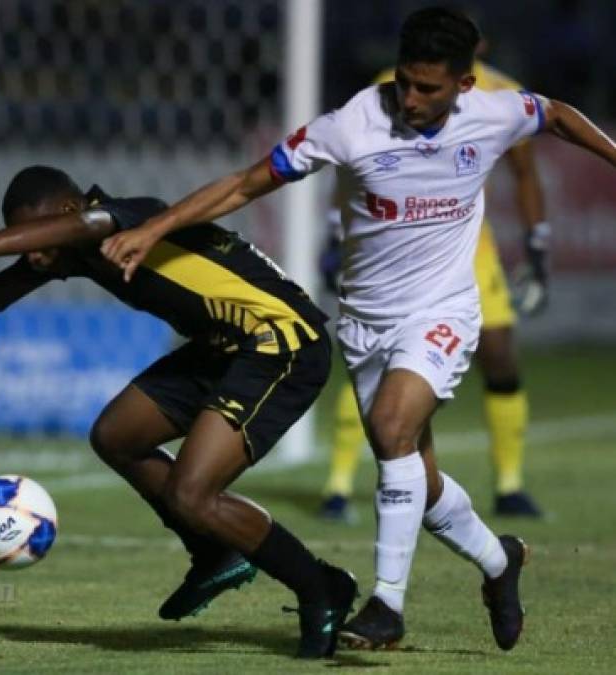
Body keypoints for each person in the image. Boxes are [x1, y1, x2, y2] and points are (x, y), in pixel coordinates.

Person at [99, 6, 616, 651]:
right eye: (404, 81)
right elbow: (243, 185)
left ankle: (386, 608)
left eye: (428, 87)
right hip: (367, 321)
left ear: (463, 85)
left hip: (444, 310)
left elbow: (559, 114)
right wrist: (153, 229)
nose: (410, 97)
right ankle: (498, 561)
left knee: (394, 429)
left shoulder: (496, 110)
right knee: (416, 480)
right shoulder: (352, 125)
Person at [0, 165, 357, 659]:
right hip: (221, 348)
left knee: (192, 493)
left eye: (39, 235)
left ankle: (321, 589)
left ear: (71, 214)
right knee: (116, 435)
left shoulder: (129, 213)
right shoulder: (69, 250)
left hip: (280, 341)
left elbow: (63, 236)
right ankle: (213, 553)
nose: (33, 253)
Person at [320, 52, 551, 522]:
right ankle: (338, 486)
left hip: (468, 252)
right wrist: (334, 231)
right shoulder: (390, 87)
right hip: (394, 253)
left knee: (501, 358)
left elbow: (525, 171)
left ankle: (509, 485)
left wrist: (537, 244)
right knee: (374, 361)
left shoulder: (500, 94)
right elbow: (349, 161)